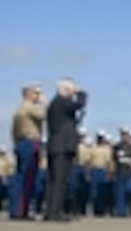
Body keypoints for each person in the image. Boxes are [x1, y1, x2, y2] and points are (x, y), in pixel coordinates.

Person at [45, 79, 87, 222]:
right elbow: (80, 104)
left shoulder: (56, 104)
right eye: (71, 90)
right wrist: (81, 93)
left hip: (57, 146)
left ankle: (51, 211)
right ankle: (54, 213)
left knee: (54, 181)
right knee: (59, 181)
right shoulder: (60, 103)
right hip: (61, 146)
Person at [9, 83, 46, 220]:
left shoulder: (18, 109)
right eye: (36, 93)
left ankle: (16, 209)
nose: (38, 96)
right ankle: (21, 210)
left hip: (20, 142)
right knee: (28, 178)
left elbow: (13, 131)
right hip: (31, 142)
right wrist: (44, 103)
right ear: (29, 94)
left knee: (20, 177)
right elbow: (45, 115)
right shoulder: (29, 107)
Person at [111, 128, 131, 218]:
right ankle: (121, 212)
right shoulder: (116, 147)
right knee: (120, 194)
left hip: (130, 174)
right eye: (123, 134)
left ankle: (129, 206)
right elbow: (113, 160)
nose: (125, 136)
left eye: (126, 135)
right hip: (119, 172)